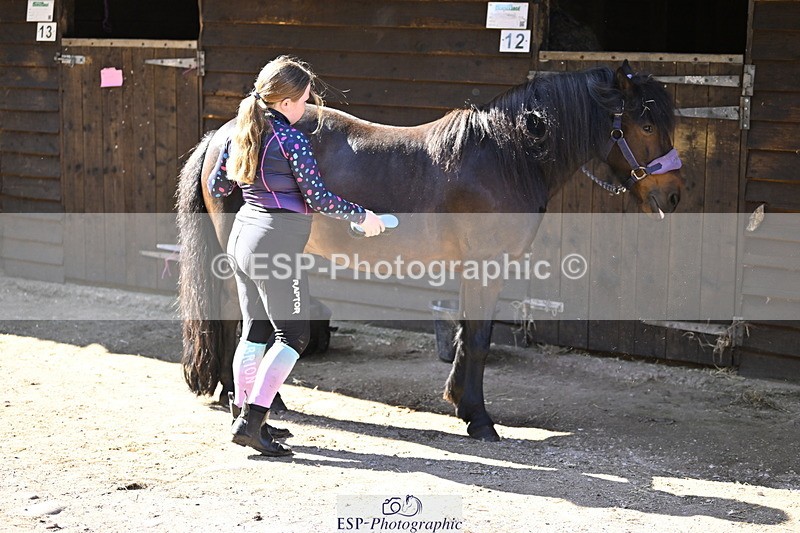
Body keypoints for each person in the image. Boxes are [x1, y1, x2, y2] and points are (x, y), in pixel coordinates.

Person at [208, 56, 385, 456]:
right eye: (304, 99)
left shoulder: (242, 133)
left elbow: (220, 187)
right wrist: (362, 216)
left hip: (243, 239)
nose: (306, 107)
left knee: (255, 330)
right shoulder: (292, 141)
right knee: (294, 335)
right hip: (276, 244)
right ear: (286, 102)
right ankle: (253, 423)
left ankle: (242, 413)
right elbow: (318, 197)